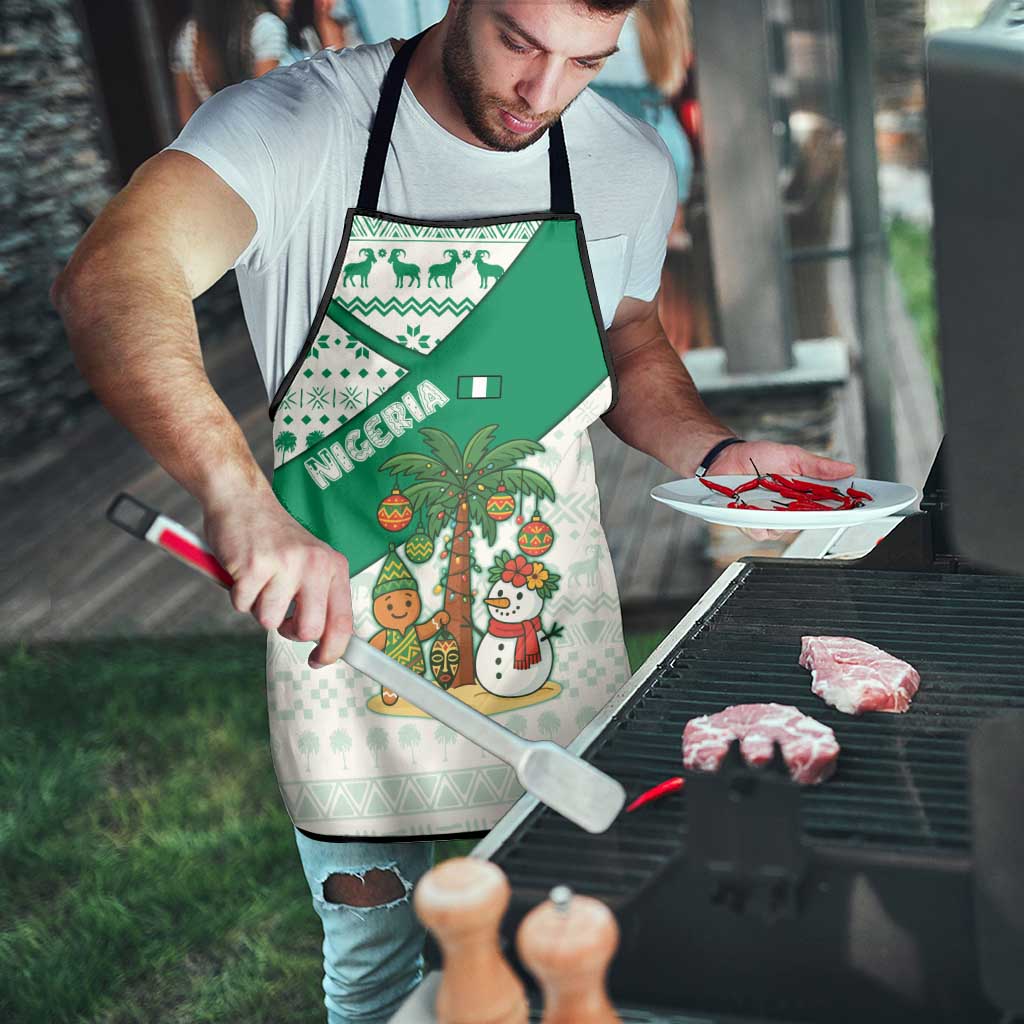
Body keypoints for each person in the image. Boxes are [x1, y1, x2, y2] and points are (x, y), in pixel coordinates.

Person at [53, 2, 856, 1020]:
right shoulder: (296, 125)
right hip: (349, 654)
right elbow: (113, 275)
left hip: (549, 644)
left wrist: (717, 448)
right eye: (521, 42)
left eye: (585, 62)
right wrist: (237, 496)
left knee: (570, 954)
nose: (543, 94)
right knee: (378, 975)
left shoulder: (624, 161)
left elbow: (628, 336)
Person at [170, 0, 289, 126]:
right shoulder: (266, 27)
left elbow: (188, 121)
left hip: (215, 139)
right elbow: (266, 107)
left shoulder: (188, 37)